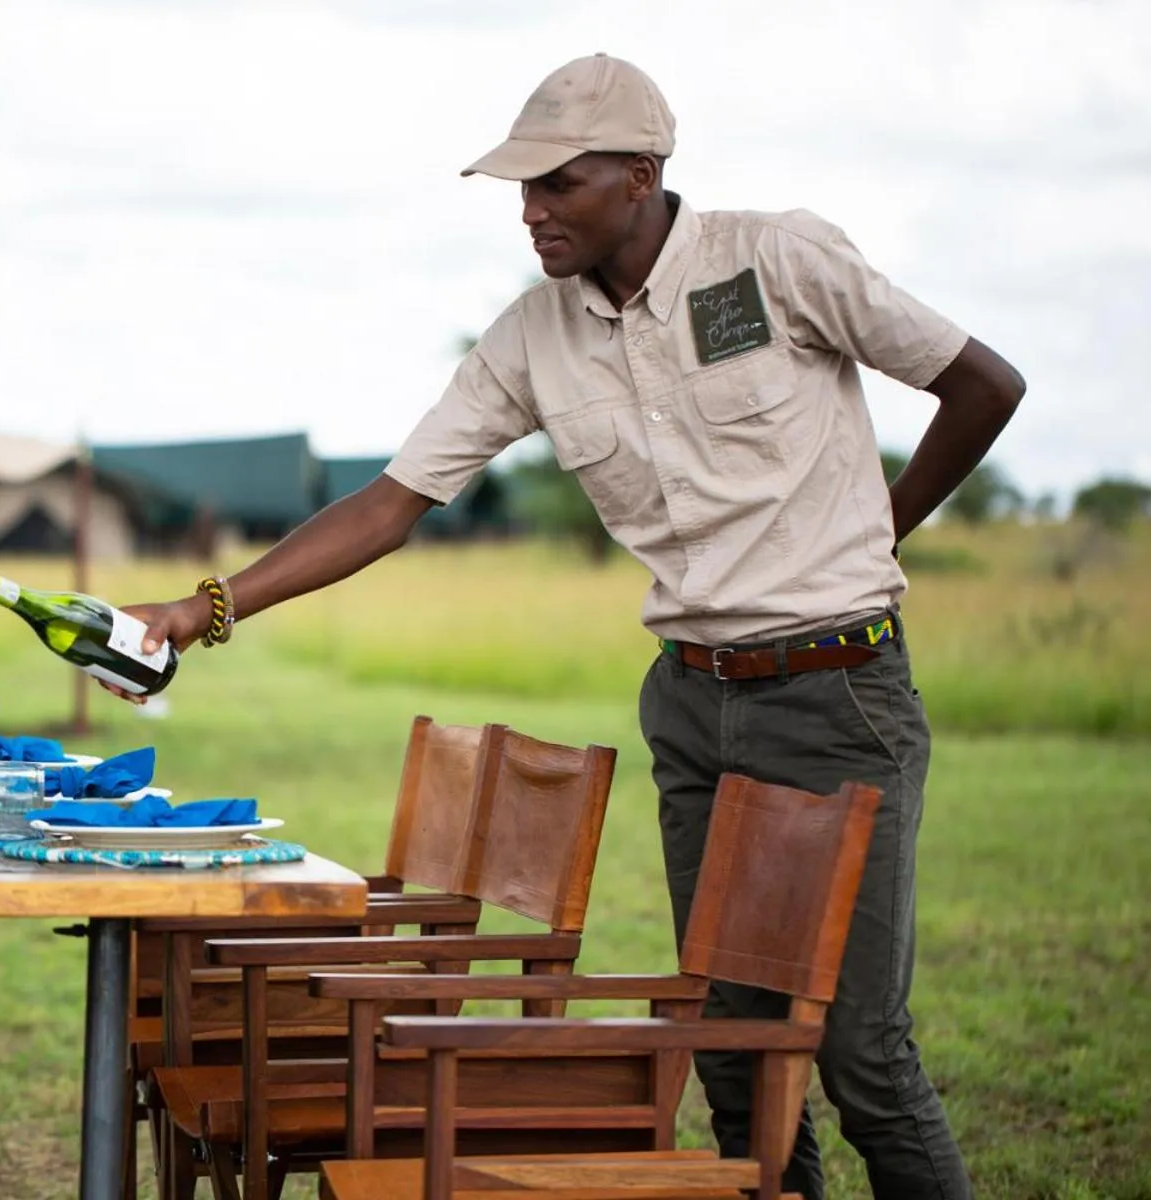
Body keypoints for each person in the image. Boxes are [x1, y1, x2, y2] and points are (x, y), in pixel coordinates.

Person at [104, 52, 1021, 1199]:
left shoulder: (777, 258)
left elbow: (985, 384)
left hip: (836, 698)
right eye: (521, 190)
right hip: (693, 706)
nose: (531, 211)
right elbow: (392, 502)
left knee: (860, 1053)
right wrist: (202, 609)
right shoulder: (533, 336)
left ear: (639, 176)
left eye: (558, 185)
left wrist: (876, 534)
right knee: (730, 1047)